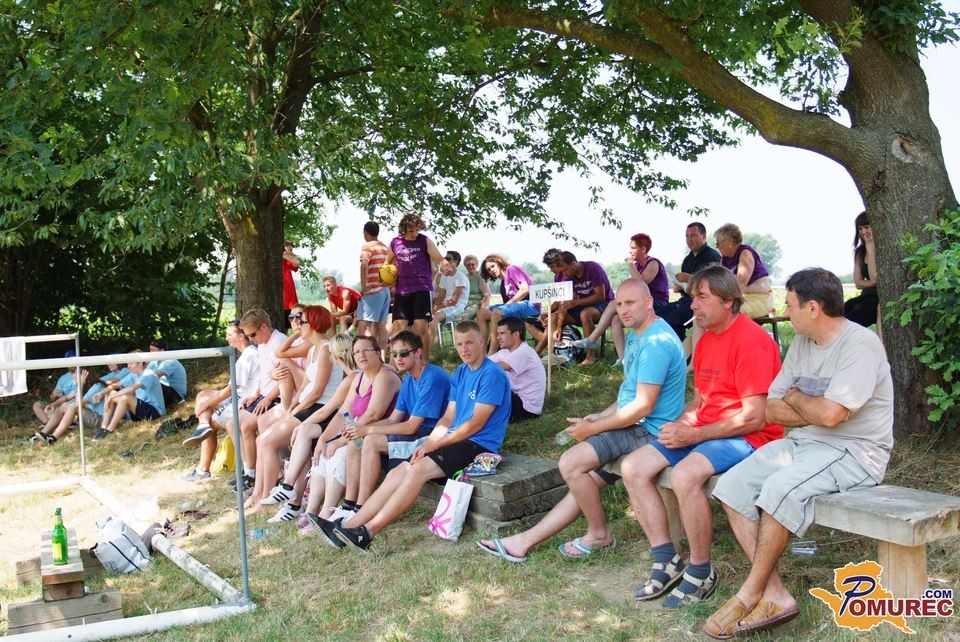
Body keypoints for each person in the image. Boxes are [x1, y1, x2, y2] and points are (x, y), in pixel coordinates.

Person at [703, 268, 893, 639]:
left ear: (813, 308)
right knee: (732, 485)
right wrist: (812, 407)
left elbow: (832, 416)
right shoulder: (804, 343)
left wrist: (800, 401)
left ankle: (749, 593)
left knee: (779, 489)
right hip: (806, 442)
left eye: (790, 305)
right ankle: (775, 593)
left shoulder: (860, 346)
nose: (785, 312)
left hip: (854, 451)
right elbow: (771, 409)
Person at [476, 279, 685, 562]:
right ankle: (522, 542)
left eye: (630, 303)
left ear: (649, 303)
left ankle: (598, 535)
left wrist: (594, 428)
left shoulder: (656, 343)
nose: (623, 310)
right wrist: (602, 415)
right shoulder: (638, 334)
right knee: (580, 478)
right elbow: (630, 395)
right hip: (636, 426)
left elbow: (642, 406)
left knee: (571, 463)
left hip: (650, 433)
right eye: (619, 304)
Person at [619, 264, 782, 609]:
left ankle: (700, 570)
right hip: (708, 430)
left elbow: (754, 417)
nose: (692, 305)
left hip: (751, 437)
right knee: (633, 467)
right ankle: (666, 559)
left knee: (685, 475)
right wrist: (680, 425)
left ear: (728, 301)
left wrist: (693, 434)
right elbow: (700, 400)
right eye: (692, 297)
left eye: (701, 297)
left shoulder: (752, 342)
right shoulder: (705, 337)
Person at [312, 320, 511, 552]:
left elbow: (476, 423)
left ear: (482, 342)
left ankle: (368, 532)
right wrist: (431, 442)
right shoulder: (461, 372)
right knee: (398, 471)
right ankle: (348, 525)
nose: (463, 349)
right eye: (459, 344)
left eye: (469, 343)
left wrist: (437, 443)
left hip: (478, 443)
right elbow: (448, 417)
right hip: (454, 438)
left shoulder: (491, 374)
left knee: (416, 470)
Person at [247, 306, 344, 516]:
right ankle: (278, 498)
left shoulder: (326, 349)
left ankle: (267, 497)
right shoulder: (313, 349)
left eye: (303, 321)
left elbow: (317, 391)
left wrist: (296, 410)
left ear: (314, 324)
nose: (298, 324)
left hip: (320, 408)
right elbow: (305, 384)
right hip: (307, 406)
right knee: (265, 440)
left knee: (266, 441)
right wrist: (292, 405)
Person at [339, 330, 451, 513]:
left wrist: (368, 430)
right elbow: (393, 419)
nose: (398, 358)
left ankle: (360, 507)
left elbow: (411, 427)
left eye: (403, 353)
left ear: (418, 352)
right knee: (359, 439)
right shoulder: (408, 380)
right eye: (394, 354)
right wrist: (360, 428)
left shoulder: (432, 377)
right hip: (419, 433)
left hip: (434, 436)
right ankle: (349, 505)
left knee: (371, 441)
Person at [306, 335, 402, 521]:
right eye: (357, 352)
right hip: (361, 431)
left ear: (378, 353)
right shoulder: (359, 378)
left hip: (384, 431)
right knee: (324, 453)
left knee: (340, 451)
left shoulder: (385, 376)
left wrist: (340, 440)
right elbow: (343, 413)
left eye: (366, 350)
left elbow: (373, 415)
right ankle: (311, 511)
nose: (361, 355)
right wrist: (324, 439)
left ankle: (331, 511)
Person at [180, 321, 260, 482]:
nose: (226, 338)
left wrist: (206, 405)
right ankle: (202, 425)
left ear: (241, 336)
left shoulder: (248, 356)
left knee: (211, 420)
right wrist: (207, 402)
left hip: (245, 401)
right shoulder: (248, 354)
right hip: (240, 395)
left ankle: (203, 469)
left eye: (229, 334)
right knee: (204, 394)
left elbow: (230, 390)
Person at [234, 309, 289, 491]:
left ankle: (270, 474)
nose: (251, 340)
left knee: (246, 426)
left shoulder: (278, 342)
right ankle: (250, 469)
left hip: (277, 397)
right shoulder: (263, 343)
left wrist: (268, 398)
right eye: (248, 336)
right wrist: (255, 393)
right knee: (232, 423)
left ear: (264, 327)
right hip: (264, 395)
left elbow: (285, 376)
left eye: (252, 335)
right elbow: (264, 374)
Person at [387, 213, 450, 361]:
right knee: (398, 326)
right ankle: (394, 363)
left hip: (422, 288)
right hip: (402, 290)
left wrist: (445, 266)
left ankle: (424, 362)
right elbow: (387, 263)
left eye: (417, 230)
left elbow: (439, 258)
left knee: (421, 327)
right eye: (411, 231)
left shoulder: (424, 240)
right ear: (403, 229)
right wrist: (386, 278)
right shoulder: (395, 242)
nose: (414, 233)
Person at [546, 251, 614, 366]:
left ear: (573, 263)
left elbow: (600, 296)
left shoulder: (592, 268)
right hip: (583, 306)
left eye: (565, 270)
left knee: (585, 314)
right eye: (562, 271)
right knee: (554, 317)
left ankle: (590, 356)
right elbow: (564, 302)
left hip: (605, 304)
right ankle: (552, 355)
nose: (564, 274)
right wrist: (558, 327)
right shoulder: (568, 276)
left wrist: (576, 302)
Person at [661, 222, 722, 340]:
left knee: (673, 319)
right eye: (687, 236)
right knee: (659, 315)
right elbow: (686, 287)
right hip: (686, 300)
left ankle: (680, 349)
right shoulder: (687, 260)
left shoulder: (712, 256)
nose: (689, 239)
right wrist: (680, 287)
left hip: (704, 302)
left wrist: (690, 278)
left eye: (693, 235)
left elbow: (715, 284)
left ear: (703, 236)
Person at [93, 353, 166, 440]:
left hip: (155, 413)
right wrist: (101, 394)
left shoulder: (148, 374)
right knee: (110, 393)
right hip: (140, 411)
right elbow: (115, 385)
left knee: (125, 398)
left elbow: (132, 388)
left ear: (140, 363)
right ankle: (103, 428)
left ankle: (109, 430)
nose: (128, 366)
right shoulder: (133, 375)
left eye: (131, 363)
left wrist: (111, 398)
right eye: (128, 364)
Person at [475, 255, 538, 355]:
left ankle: (492, 353)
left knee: (496, 312)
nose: (491, 270)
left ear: (499, 263)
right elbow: (507, 309)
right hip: (518, 307)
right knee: (481, 313)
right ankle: (482, 352)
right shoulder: (503, 285)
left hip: (531, 305)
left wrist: (506, 305)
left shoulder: (512, 269)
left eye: (493, 266)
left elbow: (525, 289)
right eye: (488, 270)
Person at [489, 317, 546, 422]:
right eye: (498, 334)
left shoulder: (525, 352)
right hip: (515, 399)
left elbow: (492, 369)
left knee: (490, 379)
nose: (498, 338)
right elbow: (484, 363)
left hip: (527, 408)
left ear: (516, 334)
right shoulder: (505, 352)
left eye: (502, 333)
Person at [714, 223, 773, 319]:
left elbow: (740, 282)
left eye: (718, 243)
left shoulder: (745, 253)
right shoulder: (724, 259)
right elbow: (720, 283)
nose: (717, 247)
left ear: (730, 241)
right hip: (742, 299)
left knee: (732, 311)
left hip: (759, 300)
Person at [30, 353, 87, 445]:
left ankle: (51, 426)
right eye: (68, 361)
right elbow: (55, 396)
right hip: (60, 404)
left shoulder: (82, 375)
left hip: (73, 405)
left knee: (64, 407)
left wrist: (55, 403)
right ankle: (47, 423)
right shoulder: (63, 378)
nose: (71, 363)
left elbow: (70, 397)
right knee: (37, 404)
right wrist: (53, 398)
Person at [843, 212, 880, 334]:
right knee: (841, 312)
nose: (864, 232)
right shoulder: (860, 252)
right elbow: (858, 283)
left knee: (850, 320)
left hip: (878, 298)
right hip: (865, 296)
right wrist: (873, 282)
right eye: (860, 229)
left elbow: (874, 278)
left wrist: (870, 249)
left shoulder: (883, 250)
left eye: (867, 227)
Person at [356, 221, 391, 351]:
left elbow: (364, 265)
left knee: (363, 324)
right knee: (381, 326)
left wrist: (364, 287)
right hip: (385, 290)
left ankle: (360, 353)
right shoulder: (385, 248)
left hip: (372, 291)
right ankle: (380, 356)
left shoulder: (367, 247)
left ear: (365, 232)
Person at [429, 251, 470, 345]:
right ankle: (430, 343)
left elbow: (454, 301)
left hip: (457, 307)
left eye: (447, 258)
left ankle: (429, 345)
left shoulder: (460, 277)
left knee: (434, 318)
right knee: (425, 316)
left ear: (455, 262)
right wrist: (434, 307)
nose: (444, 260)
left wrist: (436, 308)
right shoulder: (444, 276)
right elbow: (440, 296)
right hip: (445, 306)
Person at [146, 339, 188, 408]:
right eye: (150, 350)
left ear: (162, 351)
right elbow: (144, 375)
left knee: (150, 383)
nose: (150, 353)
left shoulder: (170, 361)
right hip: (164, 391)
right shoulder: (154, 361)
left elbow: (154, 376)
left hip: (176, 395)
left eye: (153, 350)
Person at [461, 254, 491, 319]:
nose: (470, 267)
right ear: (465, 266)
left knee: (463, 316)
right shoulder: (464, 277)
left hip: (477, 305)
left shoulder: (480, 276)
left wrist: (483, 309)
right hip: (464, 304)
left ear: (477, 265)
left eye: (473, 264)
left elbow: (487, 295)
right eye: (468, 265)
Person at [282, 240, 300, 326]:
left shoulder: (287, 259)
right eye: (289, 246)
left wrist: (288, 255)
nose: (291, 248)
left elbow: (296, 264)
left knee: (288, 324)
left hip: (289, 298)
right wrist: (285, 254)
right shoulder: (282, 256)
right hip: (283, 296)